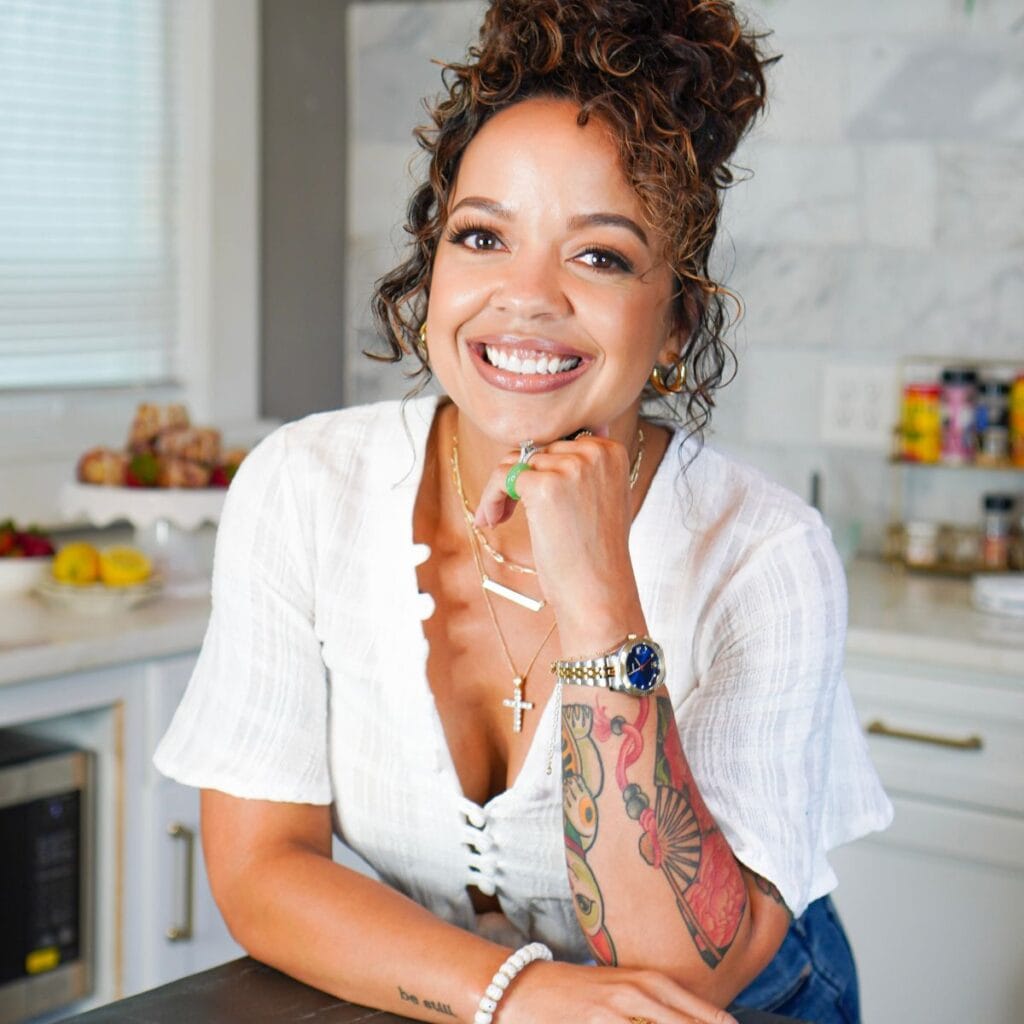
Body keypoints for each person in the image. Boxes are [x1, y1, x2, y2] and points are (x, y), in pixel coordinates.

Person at [154, 2, 892, 1022]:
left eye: (599, 255)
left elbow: (678, 974)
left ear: (675, 318)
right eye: (483, 236)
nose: (525, 296)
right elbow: (261, 868)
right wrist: (516, 992)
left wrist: (598, 598)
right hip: (457, 997)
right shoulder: (303, 484)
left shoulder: (764, 552)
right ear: (432, 269)